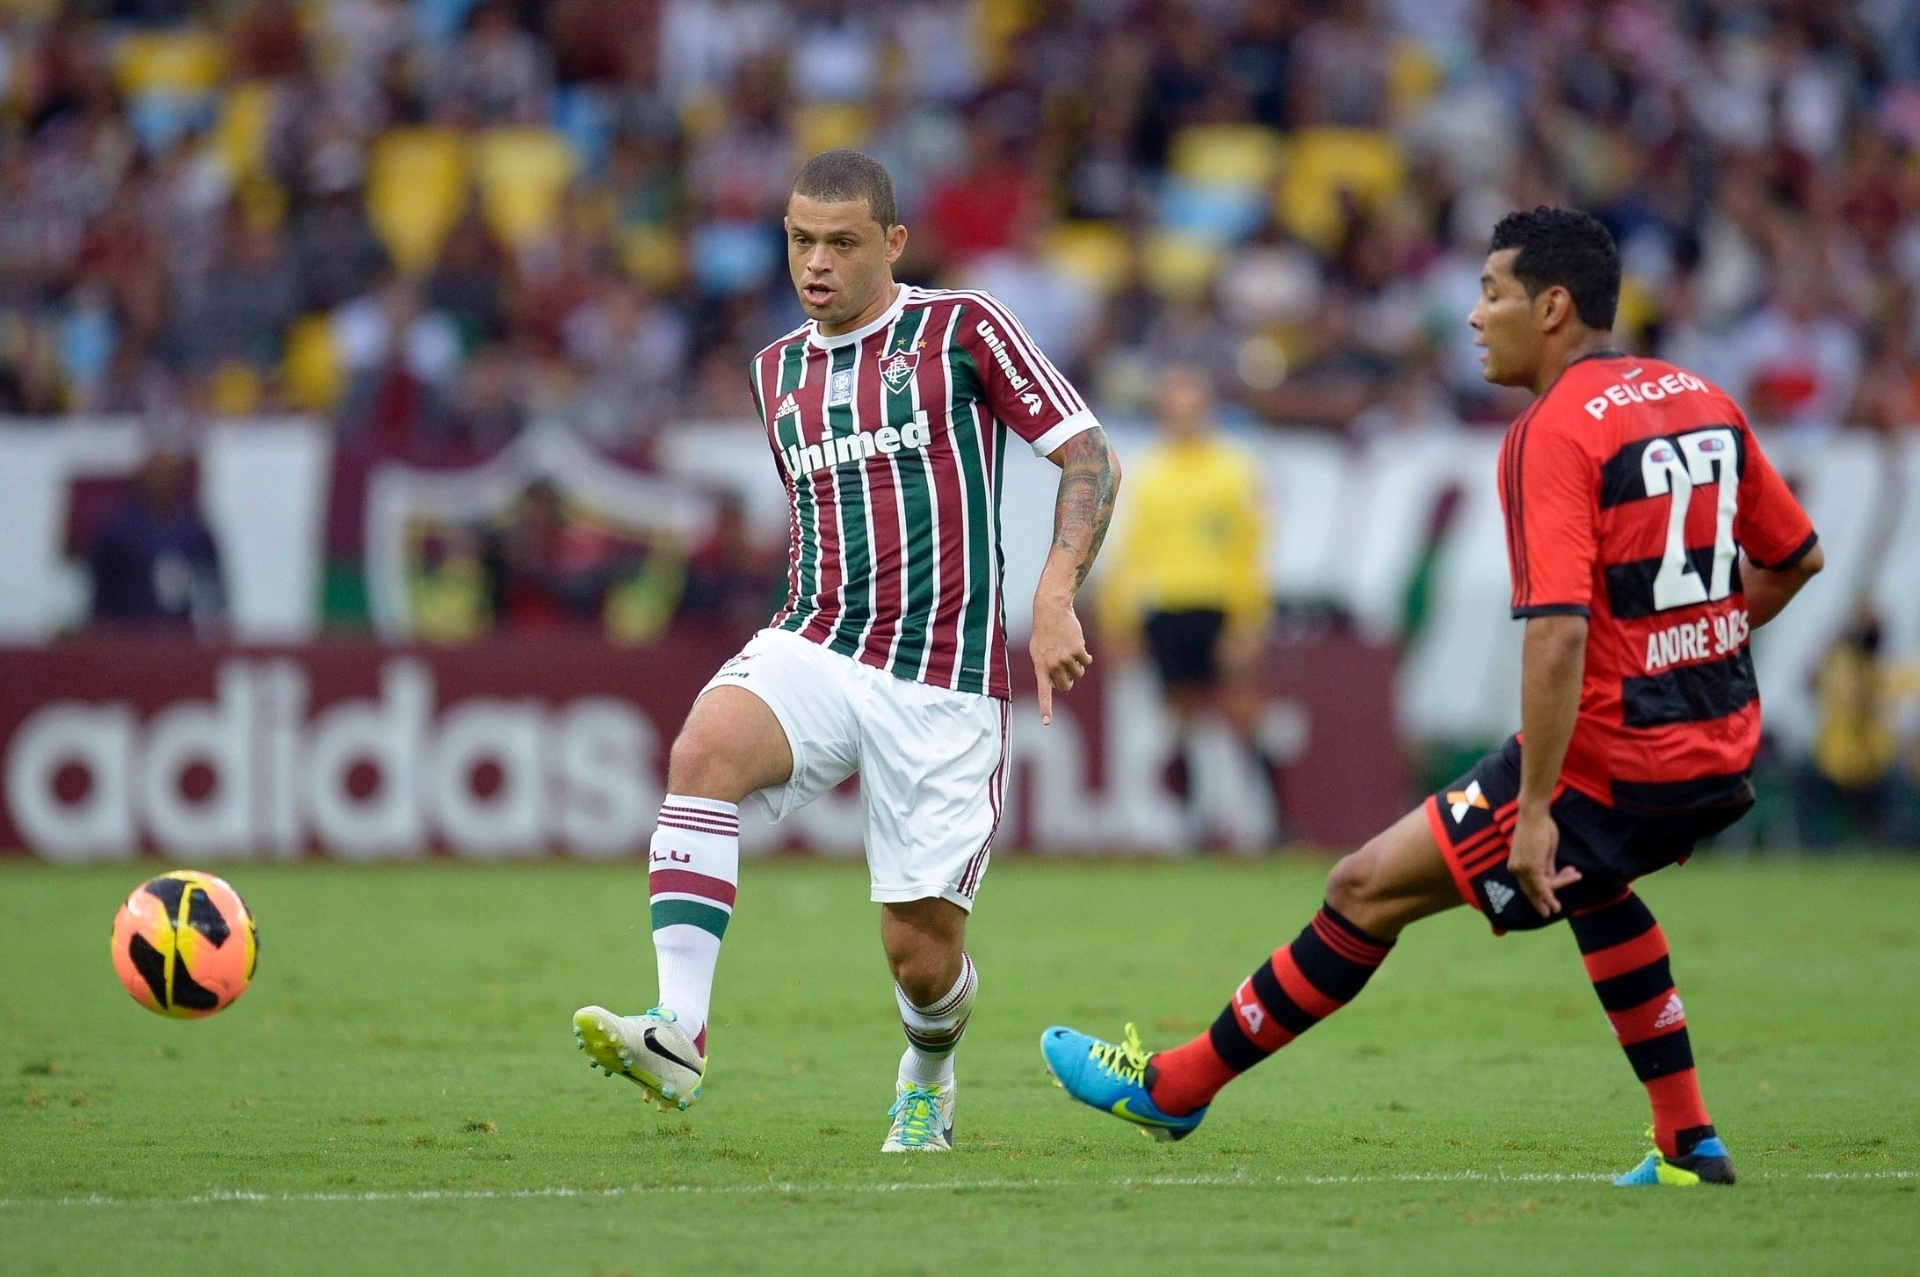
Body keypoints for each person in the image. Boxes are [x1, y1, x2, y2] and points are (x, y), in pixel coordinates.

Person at [1041, 207, 1824, 1187]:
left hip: (1610, 756)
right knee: (1597, 881)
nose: (1472, 315)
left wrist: (1535, 806)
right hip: (1714, 743)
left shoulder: (1551, 432)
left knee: (1363, 886)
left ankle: (1176, 1083)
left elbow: (1558, 632)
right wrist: (1682, 648)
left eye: (1491, 292)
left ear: (1552, 306)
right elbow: (1795, 557)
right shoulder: (1704, 398)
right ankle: (1688, 1140)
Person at [572, 150, 1121, 1152]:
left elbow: (1087, 453)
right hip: (818, 640)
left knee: (921, 961)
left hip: (943, 680)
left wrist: (1052, 596)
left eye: (841, 242)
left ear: (892, 243)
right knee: (703, 753)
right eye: (799, 240)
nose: (815, 263)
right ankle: (679, 1029)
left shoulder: (963, 328)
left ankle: (929, 1068)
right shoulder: (774, 370)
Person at [1097, 362, 1279, 835]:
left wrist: (1248, 619)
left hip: (1218, 602)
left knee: (1241, 712)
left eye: (1192, 408)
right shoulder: (1150, 473)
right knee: (1181, 720)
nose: (1183, 417)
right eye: (1175, 408)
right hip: (1166, 608)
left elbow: (1250, 549)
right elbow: (1131, 551)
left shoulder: (1233, 470)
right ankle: (1194, 825)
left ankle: (1275, 821)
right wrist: (1119, 620)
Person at [88, 447, 225, 633]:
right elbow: (101, 591)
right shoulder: (118, 531)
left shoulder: (195, 529)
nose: (161, 482)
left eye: (167, 475)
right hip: (131, 636)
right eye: (156, 475)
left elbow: (212, 583)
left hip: (182, 635)